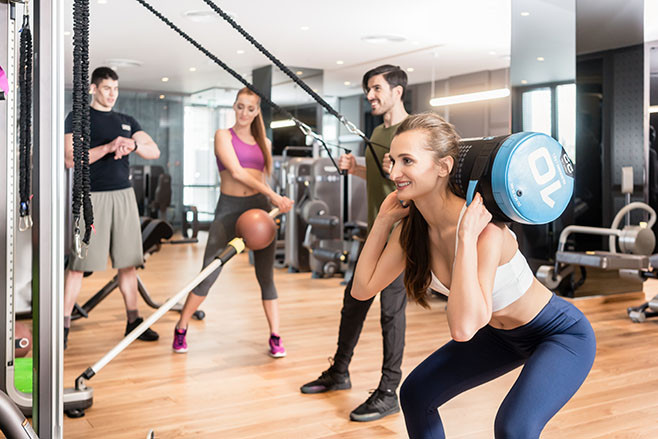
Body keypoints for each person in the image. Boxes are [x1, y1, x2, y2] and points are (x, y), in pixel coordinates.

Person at [352, 112, 597, 438]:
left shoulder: (484, 230)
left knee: (514, 426)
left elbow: (464, 328)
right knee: (416, 394)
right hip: (501, 338)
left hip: (558, 335)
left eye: (407, 161)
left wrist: (466, 239)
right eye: (393, 160)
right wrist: (383, 222)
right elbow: (363, 289)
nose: (394, 172)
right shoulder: (411, 231)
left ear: (443, 167)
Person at [300, 65, 409, 422]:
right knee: (354, 301)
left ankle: (390, 391)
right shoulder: (378, 131)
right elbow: (384, 173)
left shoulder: (413, 131)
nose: (370, 96)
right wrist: (356, 166)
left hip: (402, 236)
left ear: (397, 91)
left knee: (391, 312)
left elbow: (421, 175)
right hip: (375, 231)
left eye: (376, 88)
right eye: (368, 90)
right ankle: (340, 371)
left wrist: (401, 166)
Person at [172, 87, 293, 357]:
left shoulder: (265, 143)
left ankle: (275, 336)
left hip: (259, 210)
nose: (244, 113)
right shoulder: (222, 136)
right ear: (234, 106)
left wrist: (275, 202)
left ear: (257, 111)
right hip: (229, 209)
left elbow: (262, 179)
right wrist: (274, 195)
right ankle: (181, 328)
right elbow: (237, 173)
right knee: (209, 272)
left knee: (266, 277)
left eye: (250, 108)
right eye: (240, 106)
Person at [63, 66, 161, 349]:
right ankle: (63, 326)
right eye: (107, 88)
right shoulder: (79, 117)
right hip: (92, 196)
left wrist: (131, 143)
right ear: (93, 89)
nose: (112, 94)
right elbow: (71, 159)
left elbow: (153, 150)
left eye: (116, 89)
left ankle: (134, 321)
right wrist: (108, 147)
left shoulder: (126, 120)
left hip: (124, 196)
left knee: (129, 264)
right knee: (78, 267)